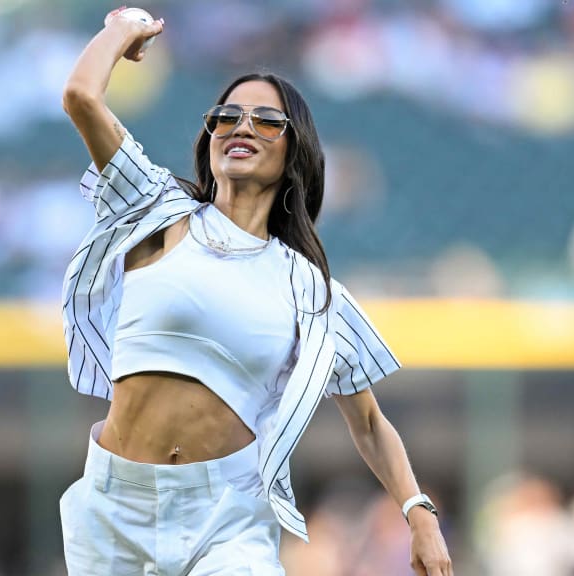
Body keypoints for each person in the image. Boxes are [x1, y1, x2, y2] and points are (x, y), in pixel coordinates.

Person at [58, 7, 453, 576]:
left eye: (267, 120)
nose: (241, 127)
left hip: (227, 513)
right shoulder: (155, 209)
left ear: (296, 152)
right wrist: (120, 32)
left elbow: (368, 422)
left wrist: (418, 513)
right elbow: (80, 97)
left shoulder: (310, 290)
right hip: (114, 508)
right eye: (227, 116)